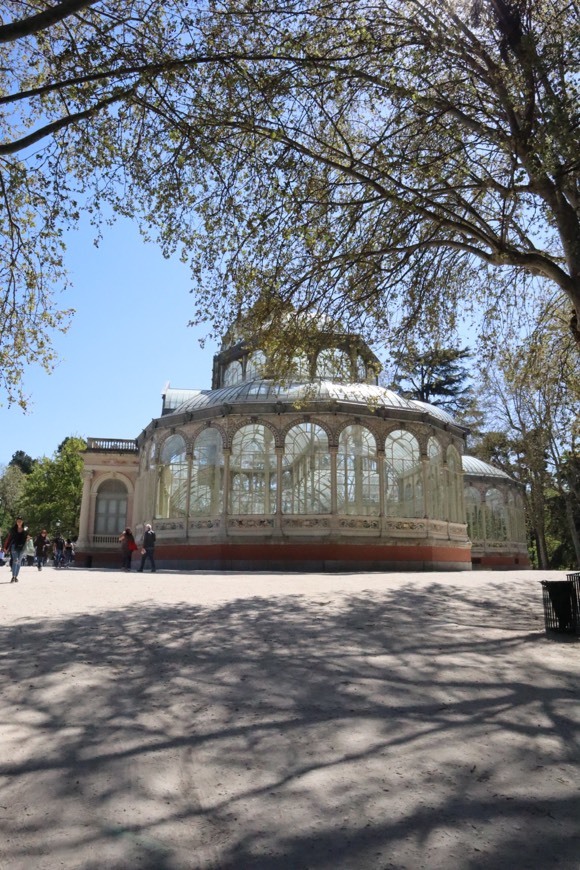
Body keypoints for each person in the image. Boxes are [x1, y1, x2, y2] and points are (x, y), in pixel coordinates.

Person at [4, 516, 28, 583]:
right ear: (16, 522)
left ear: (22, 522)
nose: (19, 522)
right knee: (15, 560)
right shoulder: (13, 529)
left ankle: (16, 576)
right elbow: (9, 539)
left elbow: (27, 538)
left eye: (20, 521)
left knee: (19, 562)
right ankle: (13, 576)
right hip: (14, 546)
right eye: (18, 521)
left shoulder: (25, 530)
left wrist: (28, 539)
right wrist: (6, 548)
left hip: (22, 548)